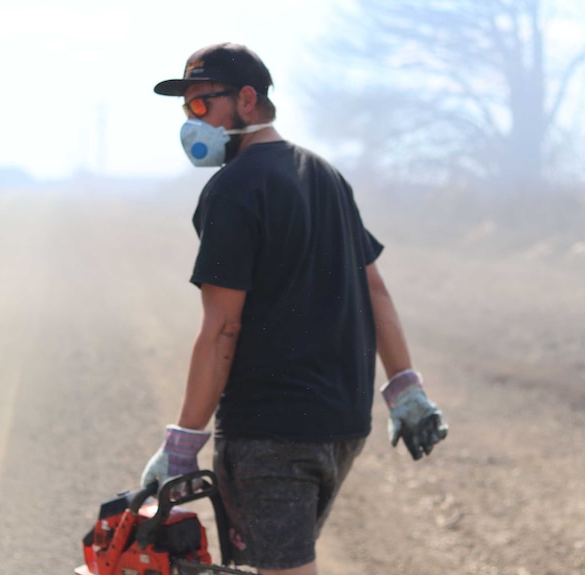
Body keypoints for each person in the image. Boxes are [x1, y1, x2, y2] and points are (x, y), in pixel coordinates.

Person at [141, 43, 448, 575]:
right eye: (185, 109)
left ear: (246, 98)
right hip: (342, 424)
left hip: (272, 433)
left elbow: (222, 328)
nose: (191, 121)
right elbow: (374, 288)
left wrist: (183, 444)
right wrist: (405, 388)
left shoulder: (233, 190)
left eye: (200, 104)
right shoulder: (326, 176)